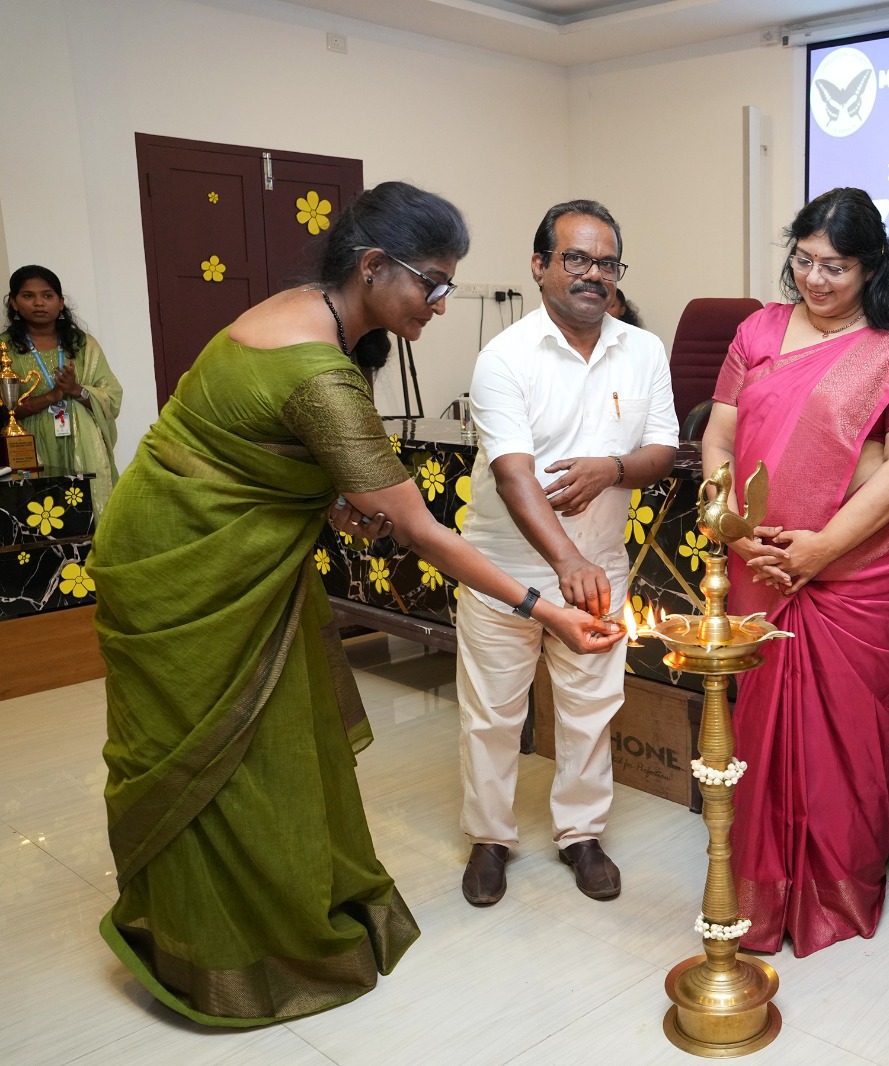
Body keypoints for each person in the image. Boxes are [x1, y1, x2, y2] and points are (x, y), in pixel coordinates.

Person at [88, 182, 622, 1027]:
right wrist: (546, 608)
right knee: (219, 759)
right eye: (433, 284)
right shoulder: (321, 375)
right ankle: (218, 947)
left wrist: (334, 499)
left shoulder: (303, 311)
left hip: (209, 549)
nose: (441, 304)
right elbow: (422, 531)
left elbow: (267, 451)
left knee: (273, 745)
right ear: (374, 266)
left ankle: (263, 910)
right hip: (187, 567)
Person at [700, 187, 889, 956]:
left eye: (835, 267)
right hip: (761, 559)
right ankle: (760, 887)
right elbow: (719, 437)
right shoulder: (758, 331)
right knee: (760, 727)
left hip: (863, 574)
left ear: (870, 267)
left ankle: (832, 890)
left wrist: (820, 550)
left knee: (846, 742)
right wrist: (730, 521)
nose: (814, 279)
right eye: (804, 260)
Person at [457, 200, 677, 906]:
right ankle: (489, 839)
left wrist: (612, 469)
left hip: (601, 565)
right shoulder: (505, 357)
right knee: (493, 715)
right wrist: (565, 564)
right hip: (503, 571)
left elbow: (663, 451)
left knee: (590, 710)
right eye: (575, 258)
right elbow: (512, 475)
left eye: (607, 263)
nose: (593, 274)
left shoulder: (643, 350)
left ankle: (581, 835)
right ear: (540, 265)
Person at [5, 265, 122, 510]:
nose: (39, 302)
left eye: (47, 295)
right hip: (29, 446)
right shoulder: (4, 349)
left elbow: (112, 398)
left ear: (60, 303)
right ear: (14, 303)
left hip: (83, 443)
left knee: (87, 514)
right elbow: (5, 411)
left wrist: (76, 390)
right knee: (40, 514)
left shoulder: (83, 345)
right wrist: (51, 397)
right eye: (28, 296)